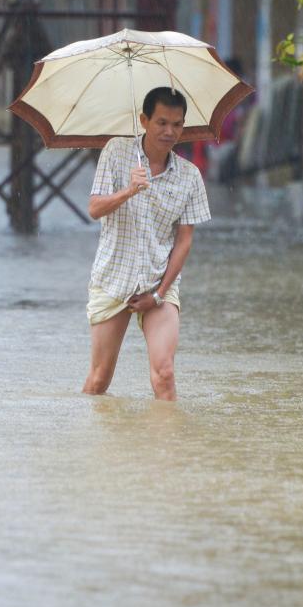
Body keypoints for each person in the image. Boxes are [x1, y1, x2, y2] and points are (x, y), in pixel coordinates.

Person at [82, 87, 210, 401]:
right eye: (162, 122)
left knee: (164, 375)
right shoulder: (115, 152)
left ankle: (165, 449)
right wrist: (128, 190)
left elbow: (184, 242)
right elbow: (94, 209)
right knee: (99, 381)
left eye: (177, 124)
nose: (170, 131)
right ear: (144, 120)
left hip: (159, 281)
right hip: (113, 280)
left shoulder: (190, 176)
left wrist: (159, 293)